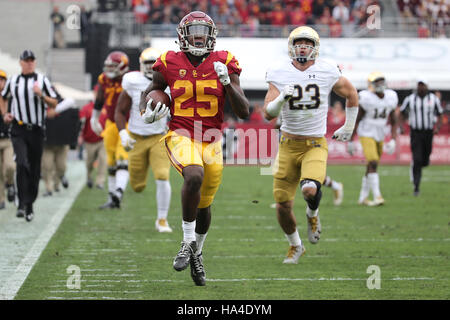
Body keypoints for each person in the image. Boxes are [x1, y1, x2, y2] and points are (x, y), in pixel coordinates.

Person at [139, 11, 249, 286]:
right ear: (182, 35)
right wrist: (146, 111)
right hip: (180, 133)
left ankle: (197, 252)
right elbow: (151, 90)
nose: (198, 35)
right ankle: (187, 241)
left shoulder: (225, 61)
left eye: (203, 30)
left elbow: (244, 111)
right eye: (193, 30)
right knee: (194, 175)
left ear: (211, 35)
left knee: (204, 204)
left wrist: (227, 83)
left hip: (212, 138)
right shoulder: (168, 61)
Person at [264, 26, 358, 264]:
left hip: (314, 144)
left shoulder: (327, 69)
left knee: (309, 189)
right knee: (282, 205)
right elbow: (267, 113)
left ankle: (312, 214)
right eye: (298, 43)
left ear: (315, 47)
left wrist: (348, 127)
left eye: (307, 43)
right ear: (291, 46)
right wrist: (281, 99)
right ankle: (296, 245)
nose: (303, 47)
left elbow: (352, 93)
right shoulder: (278, 71)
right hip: (287, 144)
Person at [115, 47, 173, 233]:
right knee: (137, 186)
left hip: (159, 137)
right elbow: (119, 111)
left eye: (154, 63)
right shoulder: (132, 81)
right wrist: (123, 133)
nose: (151, 67)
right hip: (137, 138)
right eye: (148, 63)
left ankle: (162, 220)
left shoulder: (170, 82)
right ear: (140, 64)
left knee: (163, 176)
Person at [0, 50, 58, 221]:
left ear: (35, 62)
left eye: (32, 60)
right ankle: (22, 202)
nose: (29, 63)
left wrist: (41, 95)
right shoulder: (13, 81)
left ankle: (29, 203)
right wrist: (5, 114)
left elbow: (54, 102)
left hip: (37, 130)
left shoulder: (42, 80)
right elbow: (2, 98)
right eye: (26, 60)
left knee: (34, 168)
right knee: (21, 163)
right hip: (19, 129)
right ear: (21, 63)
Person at [347, 72, 398, 206]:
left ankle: (362, 198)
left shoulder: (391, 97)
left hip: (380, 133)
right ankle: (377, 196)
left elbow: (393, 120)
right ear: (371, 85)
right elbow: (357, 120)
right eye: (377, 82)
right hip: (366, 132)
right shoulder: (366, 98)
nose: (380, 84)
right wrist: (351, 140)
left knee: (371, 165)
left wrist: (393, 139)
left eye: (382, 81)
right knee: (373, 162)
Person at [90, 51, 130, 209]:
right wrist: (94, 117)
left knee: (122, 158)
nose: (110, 70)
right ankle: (112, 197)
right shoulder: (103, 79)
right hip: (110, 123)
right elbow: (100, 99)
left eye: (114, 66)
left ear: (122, 67)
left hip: (127, 123)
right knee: (111, 161)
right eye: (109, 66)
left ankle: (119, 192)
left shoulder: (130, 80)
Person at [399, 79, 443, 196]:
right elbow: (402, 112)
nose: (421, 87)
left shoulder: (433, 99)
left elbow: (440, 113)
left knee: (425, 159)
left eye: (423, 85)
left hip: (428, 132)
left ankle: (423, 162)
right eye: (419, 85)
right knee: (417, 159)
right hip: (416, 133)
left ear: (427, 86)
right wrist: (401, 126)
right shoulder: (410, 99)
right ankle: (416, 187)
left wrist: (438, 127)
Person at [41, 91, 77, 196]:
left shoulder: (63, 104)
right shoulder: (41, 105)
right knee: (47, 166)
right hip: (47, 144)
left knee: (61, 167)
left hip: (61, 143)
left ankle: (57, 183)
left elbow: (71, 101)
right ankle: (49, 188)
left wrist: (56, 110)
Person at [79, 85, 107, 189]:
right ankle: (89, 176)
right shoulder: (87, 108)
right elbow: (81, 123)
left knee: (103, 160)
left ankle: (100, 182)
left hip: (102, 139)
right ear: (94, 94)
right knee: (89, 162)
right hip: (89, 140)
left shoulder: (106, 108)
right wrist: (80, 136)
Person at [0, 69, 15, 209]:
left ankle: (10, 183)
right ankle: (1, 200)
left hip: (8, 138)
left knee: (9, 166)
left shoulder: (11, 99)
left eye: (1, 80)